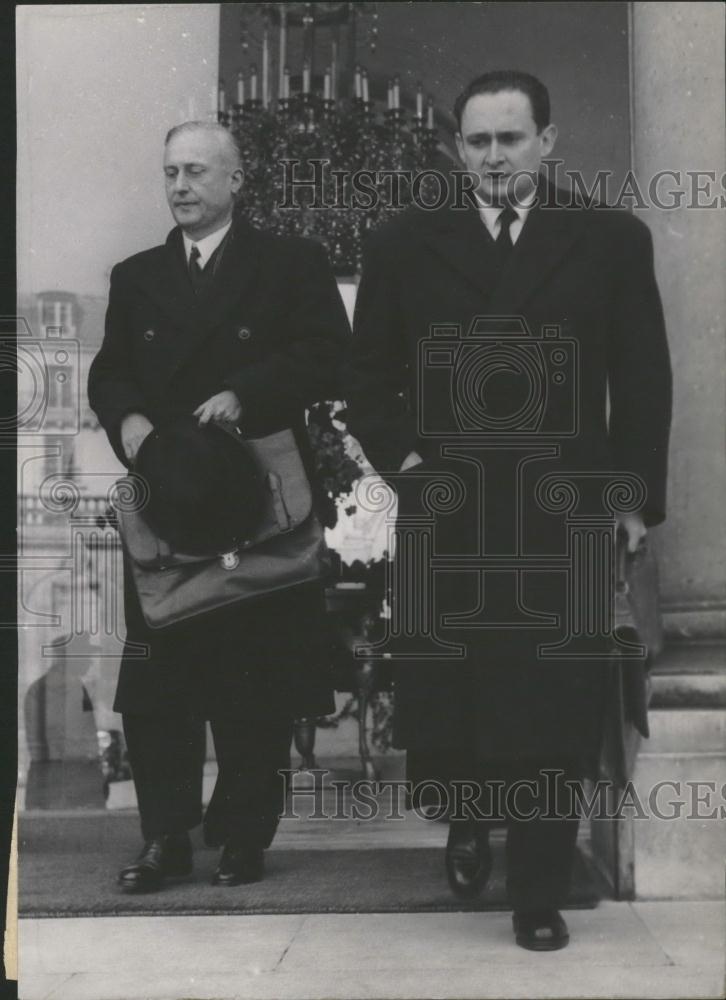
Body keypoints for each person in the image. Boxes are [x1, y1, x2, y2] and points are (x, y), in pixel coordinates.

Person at [345, 71, 672, 950]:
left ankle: (537, 889)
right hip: (447, 508)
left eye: (512, 139)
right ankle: (462, 817)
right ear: (458, 148)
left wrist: (634, 500)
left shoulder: (608, 239)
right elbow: (367, 380)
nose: (494, 156)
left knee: (552, 703)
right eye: (479, 141)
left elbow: (641, 384)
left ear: (548, 142)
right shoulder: (404, 242)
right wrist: (409, 462)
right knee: (449, 696)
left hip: (558, 509)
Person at [88, 121, 350, 892]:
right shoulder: (135, 275)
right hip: (169, 498)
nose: (180, 186)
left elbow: (329, 354)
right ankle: (166, 838)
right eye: (170, 171)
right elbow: (111, 373)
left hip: (260, 500)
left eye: (197, 171)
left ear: (237, 180)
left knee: (256, 681)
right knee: (159, 679)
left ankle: (242, 837)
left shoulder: (291, 264)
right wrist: (127, 417)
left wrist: (248, 393)